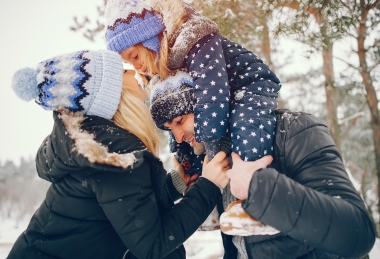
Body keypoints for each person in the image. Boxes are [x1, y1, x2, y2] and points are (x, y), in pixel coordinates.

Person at [7, 49, 230, 259]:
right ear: (112, 94)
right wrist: (209, 186)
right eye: (124, 72)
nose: (134, 71)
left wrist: (173, 186)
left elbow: (120, 208)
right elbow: (152, 244)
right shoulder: (114, 156)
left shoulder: (98, 147)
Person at [148, 81, 376, 258]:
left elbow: (357, 232)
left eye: (180, 120)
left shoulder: (293, 130)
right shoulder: (214, 163)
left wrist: (259, 188)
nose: (178, 137)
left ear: (210, 103)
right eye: (170, 129)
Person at [104, 0, 281, 161]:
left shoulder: (193, 38)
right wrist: (186, 159)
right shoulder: (160, 67)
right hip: (223, 96)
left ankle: (252, 176)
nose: (136, 67)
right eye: (128, 63)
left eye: (135, 56)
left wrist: (213, 155)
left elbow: (211, 96)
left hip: (249, 84)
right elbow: (176, 112)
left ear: (149, 39)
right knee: (196, 146)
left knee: (246, 138)